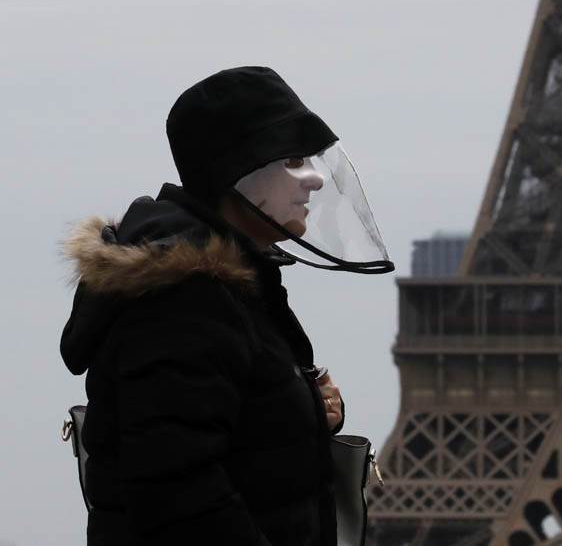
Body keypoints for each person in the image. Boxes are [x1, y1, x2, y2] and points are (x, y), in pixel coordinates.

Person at [60, 66, 394, 546]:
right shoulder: (186, 296)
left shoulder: (216, 285)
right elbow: (177, 490)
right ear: (237, 171)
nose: (315, 179)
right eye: (293, 159)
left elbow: (212, 437)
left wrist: (305, 415)